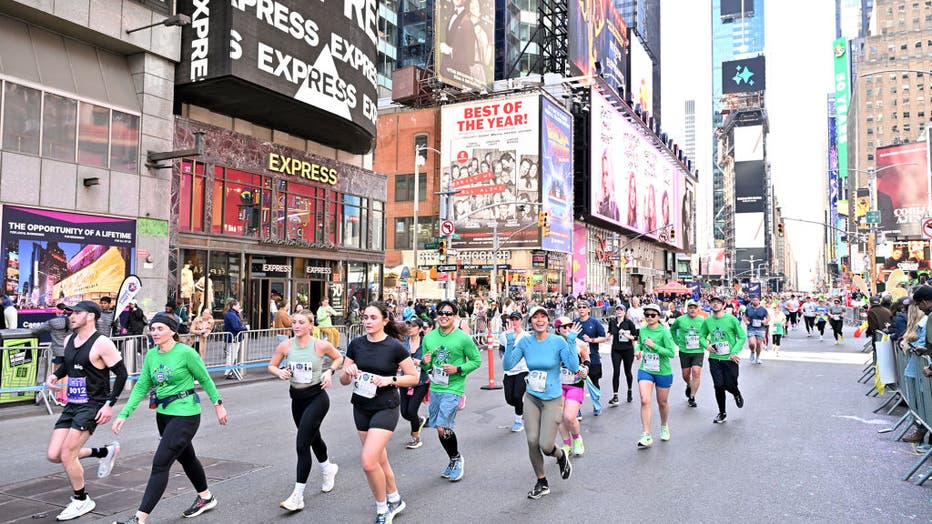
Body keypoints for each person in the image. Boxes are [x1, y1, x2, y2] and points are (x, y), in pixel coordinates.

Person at [111, 314, 227, 524]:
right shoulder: (151, 355)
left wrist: (218, 405)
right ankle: (206, 497)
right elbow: (142, 386)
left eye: (160, 329)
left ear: (172, 331)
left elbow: (205, 379)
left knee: (160, 463)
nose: (154, 333)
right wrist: (123, 414)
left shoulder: (186, 353)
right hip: (164, 415)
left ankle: (139, 519)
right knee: (187, 457)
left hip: (186, 414)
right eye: (152, 328)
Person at [44, 300, 127, 521]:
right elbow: (68, 365)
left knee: (68, 454)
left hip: (92, 404)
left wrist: (109, 404)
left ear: (90, 316)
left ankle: (81, 500)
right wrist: (55, 376)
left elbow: (122, 374)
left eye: (76, 313)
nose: (71, 316)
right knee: (54, 455)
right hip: (73, 403)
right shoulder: (70, 339)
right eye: (70, 313)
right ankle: (104, 452)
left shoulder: (102, 343)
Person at [340, 301, 418, 524]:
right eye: (365, 317)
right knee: (379, 458)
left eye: (373, 318)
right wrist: (348, 372)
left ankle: (382, 507)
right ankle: (395, 498)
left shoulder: (394, 347)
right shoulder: (356, 344)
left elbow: (413, 377)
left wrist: (389, 380)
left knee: (368, 461)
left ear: (385, 320)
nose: (367, 322)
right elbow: (344, 380)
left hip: (386, 406)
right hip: (361, 407)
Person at [268, 310, 343, 511]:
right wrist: (279, 372)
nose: (296, 325)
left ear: (311, 325)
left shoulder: (320, 345)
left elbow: (338, 358)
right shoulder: (285, 345)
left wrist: (329, 372)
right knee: (313, 438)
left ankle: (297, 496)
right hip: (297, 399)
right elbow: (272, 365)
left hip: (317, 398)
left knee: (302, 444)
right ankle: (328, 468)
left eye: (301, 322)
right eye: (294, 322)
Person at [503, 306, 577, 500]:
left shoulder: (558, 341)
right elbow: (508, 365)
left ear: (548, 320)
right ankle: (541, 481)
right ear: (531, 321)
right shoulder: (525, 342)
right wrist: (510, 342)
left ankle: (560, 455)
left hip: (552, 399)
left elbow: (573, 367)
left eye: (543, 316)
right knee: (531, 441)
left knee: (546, 445)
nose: (539, 320)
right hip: (532, 398)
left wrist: (571, 342)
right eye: (535, 317)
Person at [420, 300, 482, 482]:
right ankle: (453, 458)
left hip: (454, 388)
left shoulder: (463, 338)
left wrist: (458, 369)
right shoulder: (429, 338)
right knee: (439, 428)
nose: (444, 316)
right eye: (441, 313)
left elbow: (476, 360)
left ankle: (456, 458)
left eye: (448, 313)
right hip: (436, 387)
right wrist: (424, 362)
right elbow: (426, 365)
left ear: (455, 316)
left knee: (443, 426)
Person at [634, 304, 675, 448]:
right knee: (645, 400)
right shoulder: (643, 330)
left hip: (663, 371)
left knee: (662, 403)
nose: (649, 317)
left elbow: (671, 353)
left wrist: (654, 346)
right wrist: (637, 350)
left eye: (653, 315)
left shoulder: (664, 332)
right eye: (647, 315)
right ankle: (646, 434)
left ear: (658, 316)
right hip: (646, 369)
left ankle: (664, 425)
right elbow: (639, 344)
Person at [699, 297, 747, 424]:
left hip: (730, 358)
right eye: (713, 302)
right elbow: (701, 336)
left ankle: (736, 393)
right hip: (714, 358)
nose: (715, 304)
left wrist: (734, 352)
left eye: (718, 302)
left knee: (730, 384)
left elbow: (742, 337)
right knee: (718, 385)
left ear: (724, 305)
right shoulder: (707, 321)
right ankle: (722, 412)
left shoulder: (731, 319)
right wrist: (707, 346)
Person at [554, 316, 588, 456]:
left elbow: (586, 358)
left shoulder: (579, 343)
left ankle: (577, 438)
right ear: (558, 329)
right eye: (564, 327)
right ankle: (566, 444)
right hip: (558, 384)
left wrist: (585, 368)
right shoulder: (554, 343)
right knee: (559, 417)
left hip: (575, 383)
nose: (567, 329)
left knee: (569, 417)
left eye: (570, 326)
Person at [572, 301, 608, 415]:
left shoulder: (594, 322)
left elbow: (604, 338)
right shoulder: (574, 323)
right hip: (577, 359)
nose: (581, 309)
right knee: (577, 384)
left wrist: (591, 340)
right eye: (579, 307)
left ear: (588, 309)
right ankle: (577, 409)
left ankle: (596, 405)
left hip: (593, 357)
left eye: (584, 307)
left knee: (594, 382)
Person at [32, 303, 71, 406]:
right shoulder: (72, 321)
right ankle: (65, 397)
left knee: (58, 373)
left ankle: (59, 397)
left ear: (57, 311)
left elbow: (37, 330)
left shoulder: (52, 322)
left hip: (57, 351)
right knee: (67, 374)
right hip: (70, 351)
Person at [400, 317, 430, 449]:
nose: (410, 328)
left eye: (413, 326)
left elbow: (430, 363)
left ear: (420, 328)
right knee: (404, 413)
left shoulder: (426, 343)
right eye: (408, 325)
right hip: (405, 380)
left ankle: (416, 438)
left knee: (412, 410)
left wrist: (421, 362)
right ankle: (419, 420)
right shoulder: (403, 342)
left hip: (420, 381)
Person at [670, 300, 706, 407]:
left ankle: (692, 397)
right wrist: (677, 341)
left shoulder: (702, 320)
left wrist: (707, 340)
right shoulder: (680, 320)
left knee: (696, 372)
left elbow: (707, 332)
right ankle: (689, 384)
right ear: (687, 309)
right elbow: (672, 330)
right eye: (690, 308)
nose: (692, 310)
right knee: (685, 374)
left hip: (698, 350)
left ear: (698, 309)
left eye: (694, 308)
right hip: (684, 351)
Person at [500, 311, 529, 432]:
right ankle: (522, 408)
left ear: (521, 321)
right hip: (509, 371)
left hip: (523, 370)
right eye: (512, 319)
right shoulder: (504, 335)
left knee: (517, 396)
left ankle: (518, 422)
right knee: (509, 399)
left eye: (516, 319)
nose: (514, 322)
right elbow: (502, 350)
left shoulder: (526, 336)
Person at [607, 305, 638, 405]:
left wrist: (626, 335)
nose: (619, 311)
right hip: (616, 350)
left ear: (625, 312)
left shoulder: (629, 323)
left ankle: (629, 390)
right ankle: (615, 396)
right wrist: (607, 337)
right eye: (617, 309)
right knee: (616, 371)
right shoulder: (612, 322)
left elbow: (635, 337)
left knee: (627, 371)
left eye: (621, 310)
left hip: (627, 350)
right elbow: (610, 332)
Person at [438, 0, 478, 80]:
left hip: (459, 75)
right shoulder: (450, 15)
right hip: (445, 72)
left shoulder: (467, 21)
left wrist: (450, 51)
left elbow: (470, 57)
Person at [222, 299, 248, 379]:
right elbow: (236, 327)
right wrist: (245, 328)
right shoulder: (232, 315)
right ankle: (229, 372)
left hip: (231, 337)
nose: (239, 306)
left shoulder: (230, 314)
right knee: (232, 355)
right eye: (238, 305)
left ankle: (229, 371)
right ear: (234, 306)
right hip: (234, 337)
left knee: (231, 354)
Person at [743, 296, 770, 365]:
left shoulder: (763, 309)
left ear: (759, 301)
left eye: (756, 300)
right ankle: (752, 351)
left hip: (760, 328)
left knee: (758, 344)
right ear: (752, 301)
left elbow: (768, 318)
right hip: (751, 328)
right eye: (754, 300)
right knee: (751, 343)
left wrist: (765, 321)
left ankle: (757, 358)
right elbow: (744, 316)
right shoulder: (749, 309)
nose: (755, 301)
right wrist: (746, 321)